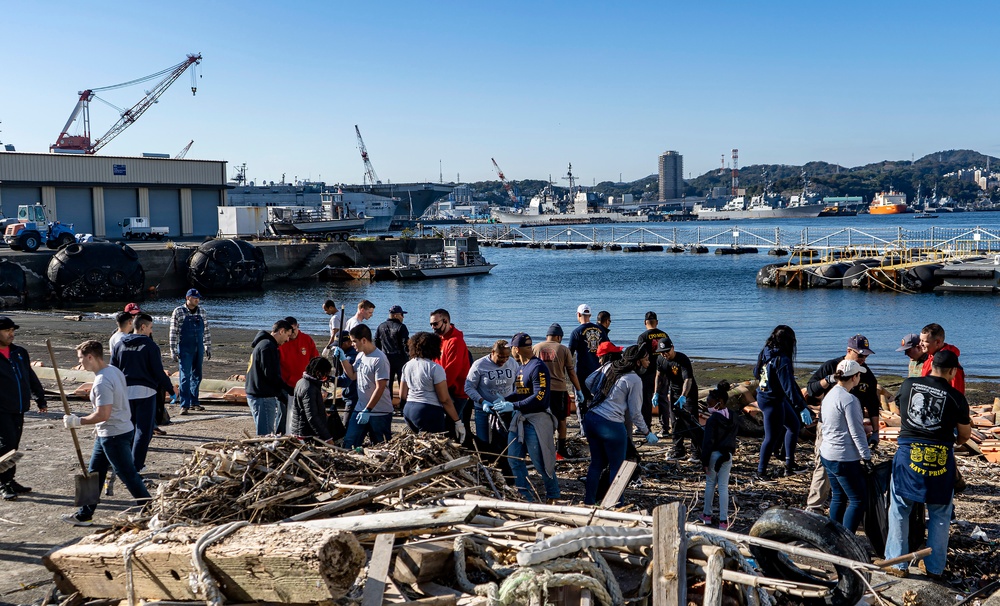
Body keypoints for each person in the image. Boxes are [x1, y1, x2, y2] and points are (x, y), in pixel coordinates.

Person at [884, 350, 971, 579]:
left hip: (909, 454)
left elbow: (903, 413)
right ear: (953, 371)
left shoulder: (908, 384)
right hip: (940, 457)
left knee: (900, 508)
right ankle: (934, 567)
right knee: (940, 513)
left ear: (931, 366)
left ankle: (896, 563)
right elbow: (964, 434)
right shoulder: (956, 397)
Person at [61, 341, 149, 526]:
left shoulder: (102, 382)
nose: (79, 363)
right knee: (94, 473)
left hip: (114, 435)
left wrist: (77, 421)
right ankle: (84, 514)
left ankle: (150, 510)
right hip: (112, 432)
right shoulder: (114, 371)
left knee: (128, 475)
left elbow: (103, 414)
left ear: (90, 357)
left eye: (80, 358)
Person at [804, 334, 879, 513]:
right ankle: (814, 506)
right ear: (849, 351)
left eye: (866, 356)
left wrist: (876, 431)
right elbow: (811, 389)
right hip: (828, 426)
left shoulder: (866, 375)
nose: (863, 359)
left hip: (853, 424)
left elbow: (873, 404)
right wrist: (828, 380)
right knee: (823, 465)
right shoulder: (831, 366)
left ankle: (843, 503)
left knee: (850, 467)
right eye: (860, 355)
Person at [486, 333, 560, 503]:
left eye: (512, 349)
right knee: (514, 459)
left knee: (541, 461)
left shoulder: (537, 367)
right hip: (519, 420)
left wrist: (514, 406)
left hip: (536, 421)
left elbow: (539, 396)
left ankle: (553, 494)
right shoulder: (521, 367)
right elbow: (520, 392)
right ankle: (524, 495)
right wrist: (506, 399)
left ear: (515, 349)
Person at [583, 344, 657, 505]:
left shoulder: (610, 366)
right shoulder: (634, 379)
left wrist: (601, 394)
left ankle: (589, 502)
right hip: (611, 425)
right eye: (646, 359)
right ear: (637, 362)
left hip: (591, 418)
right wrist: (647, 432)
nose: (649, 362)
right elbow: (636, 413)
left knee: (596, 463)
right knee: (618, 468)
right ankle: (615, 505)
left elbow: (588, 381)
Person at [110, 313, 175, 475]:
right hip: (145, 392)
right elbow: (158, 372)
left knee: (128, 428)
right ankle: (136, 465)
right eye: (151, 328)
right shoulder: (150, 346)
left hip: (125, 392)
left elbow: (113, 369)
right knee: (143, 431)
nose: (151, 331)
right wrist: (171, 389)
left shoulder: (119, 345)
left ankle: (127, 462)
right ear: (143, 327)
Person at [818, 360, 872, 532]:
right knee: (858, 500)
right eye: (859, 375)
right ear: (854, 377)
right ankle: (847, 540)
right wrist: (866, 457)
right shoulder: (849, 400)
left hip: (827, 453)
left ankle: (834, 535)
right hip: (843, 457)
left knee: (839, 496)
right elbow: (857, 432)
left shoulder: (830, 394)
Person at [0, 316, 47, 501]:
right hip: (1, 409)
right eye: (7, 330)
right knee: (7, 445)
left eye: (13, 330)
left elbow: (30, 376)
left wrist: (40, 398)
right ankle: (4, 483)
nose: (11, 334)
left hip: (18, 407)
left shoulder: (19, 353)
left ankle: (10, 479)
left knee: (14, 444)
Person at [754, 325, 807, 481]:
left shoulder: (766, 351)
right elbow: (789, 387)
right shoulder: (782, 360)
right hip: (771, 401)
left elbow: (756, 372)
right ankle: (761, 472)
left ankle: (789, 464)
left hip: (770, 396)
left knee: (794, 425)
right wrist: (801, 406)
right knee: (771, 437)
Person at [533, 323, 583, 460]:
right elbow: (571, 373)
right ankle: (561, 449)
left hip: (540, 389)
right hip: (559, 390)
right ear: (559, 337)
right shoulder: (563, 349)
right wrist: (578, 390)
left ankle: (542, 447)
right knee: (561, 419)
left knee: (541, 419)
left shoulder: (536, 348)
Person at [338, 324, 393, 448]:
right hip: (360, 408)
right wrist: (343, 359)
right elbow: (352, 375)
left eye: (354, 341)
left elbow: (381, 387)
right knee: (349, 442)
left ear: (363, 340)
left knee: (380, 446)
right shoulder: (360, 355)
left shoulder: (380, 359)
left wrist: (368, 410)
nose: (352, 344)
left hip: (379, 412)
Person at [400, 332, 461, 438]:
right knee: (434, 445)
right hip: (428, 411)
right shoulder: (435, 368)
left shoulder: (407, 365)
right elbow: (444, 399)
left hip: (409, 410)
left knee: (418, 443)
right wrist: (458, 421)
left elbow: (402, 394)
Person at [654, 336, 703, 461]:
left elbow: (688, 379)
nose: (665, 354)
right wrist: (656, 393)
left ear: (673, 348)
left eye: (667, 351)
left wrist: (683, 396)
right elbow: (659, 376)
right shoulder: (660, 359)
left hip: (688, 393)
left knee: (692, 423)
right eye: (662, 352)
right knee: (675, 422)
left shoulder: (682, 359)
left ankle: (697, 452)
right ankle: (678, 450)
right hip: (674, 392)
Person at [245, 320, 294, 435]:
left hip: (256, 393)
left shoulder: (263, 344)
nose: (287, 340)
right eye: (287, 335)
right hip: (262, 396)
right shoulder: (267, 346)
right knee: (266, 435)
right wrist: (284, 392)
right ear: (281, 331)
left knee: (264, 431)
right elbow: (271, 375)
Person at [465, 339, 518, 446]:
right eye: (500, 357)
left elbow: (518, 384)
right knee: (484, 443)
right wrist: (482, 401)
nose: (504, 360)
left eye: (507, 357)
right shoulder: (479, 365)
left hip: (505, 410)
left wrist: (512, 402)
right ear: (493, 352)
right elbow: (469, 387)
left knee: (504, 442)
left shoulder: (512, 363)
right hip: (484, 411)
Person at [430, 309, 471, 441]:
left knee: (451, 428)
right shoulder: (440, 339)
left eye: (435, 324)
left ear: (445, 321)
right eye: (431, 324)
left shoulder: (455, 341)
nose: (433, 327)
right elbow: (435, 363)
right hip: (444, 389)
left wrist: (438, 389)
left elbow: (453, 370)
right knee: (443, 427)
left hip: (457, 392)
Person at [701, 382, 737, 529]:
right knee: (723, 487)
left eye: (710, 403)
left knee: (710, 484)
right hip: (727, 455)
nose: (708, 406)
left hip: (714, 455)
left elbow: (707, 442)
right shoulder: (733, 416)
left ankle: (707, 515)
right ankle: (723, 520)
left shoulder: (712, 420)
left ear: (719, 403)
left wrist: (704, 460)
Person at [169, 289, 210, 415]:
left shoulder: (202, 311)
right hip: (185, 347)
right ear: (187, 298)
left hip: (199, 347)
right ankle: (184, 404)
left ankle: (194, 402)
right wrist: (173, 350)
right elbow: (173, 331)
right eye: (194, 298)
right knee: (185, 376)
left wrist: (208, 346)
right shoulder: (178, 311)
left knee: (197, 375)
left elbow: (206, 330)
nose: (197, 300)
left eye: (198, 298)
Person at [278, 316, 319, 432]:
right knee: (284, 414)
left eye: (294, 330)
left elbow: (315, 360)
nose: (291, 334)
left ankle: (302, 436)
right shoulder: (282, 342)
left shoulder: (306, 339)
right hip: (286, 384)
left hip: (303, 385)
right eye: (289, 332)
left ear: (297, 327)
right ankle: (280, 435)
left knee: (304, 413)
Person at [567, 304, 608, 403]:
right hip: (598, 371)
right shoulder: (601, 330)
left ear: (578, 314)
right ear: (590, 315)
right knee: (597, 402)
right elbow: (608, 348)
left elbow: (569, 355)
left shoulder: (576, 332)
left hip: (582, 374)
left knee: (581, 404)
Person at [287, 356, 334, 442]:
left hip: (302, 430)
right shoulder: (309, 388)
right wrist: (327, 437)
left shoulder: (302, 382)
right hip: (307, 434)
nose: (325, 378)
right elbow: (312, 417)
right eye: (325, 374)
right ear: (318, 373)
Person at [636, 311, 668, 431]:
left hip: (647, 372)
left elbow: (639, 355)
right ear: (657, 322)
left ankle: (646, 426)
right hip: (663, 371)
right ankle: (665, 427)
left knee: (646, 400)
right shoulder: (664, 335)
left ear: (645, 323)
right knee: (663, 399)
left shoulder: (643, 337)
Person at [374, 305, 410, 404]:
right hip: (400, 359)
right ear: (395, 315)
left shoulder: (381, 326)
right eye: (402, 315)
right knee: (403, 383)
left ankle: (388, 405)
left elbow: (376, 342)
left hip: (386, 358)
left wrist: (379, 355)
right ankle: (403, 405)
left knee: (387, 384)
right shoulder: (401, 327)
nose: (403, 317)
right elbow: (405, 344)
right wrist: (409, 358)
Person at [919, 323, 965, 394]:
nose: (920, 344)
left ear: (937, 342)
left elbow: (957, 391)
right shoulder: (930, 357)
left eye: (925, 341)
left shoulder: (949, 363)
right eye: (920, 340)